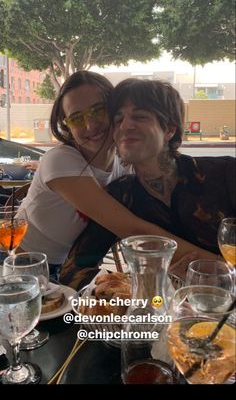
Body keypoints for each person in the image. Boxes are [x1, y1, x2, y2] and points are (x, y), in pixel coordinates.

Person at [60, 78, 235, 289]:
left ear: (169, 128)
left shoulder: (225, 173)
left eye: (139, 116)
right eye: (118, 120)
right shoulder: (121, 197)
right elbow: (72, 271)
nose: (125, 126)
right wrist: (139, 287)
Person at [17, 71, 198, 274]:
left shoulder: (124, 163)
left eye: (98, 110)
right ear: (67, 126)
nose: (90, 125)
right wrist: (211, 264)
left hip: (68, 267)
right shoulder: (60, 159)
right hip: (22, 263)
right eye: (76, 118)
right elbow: (131, 228)